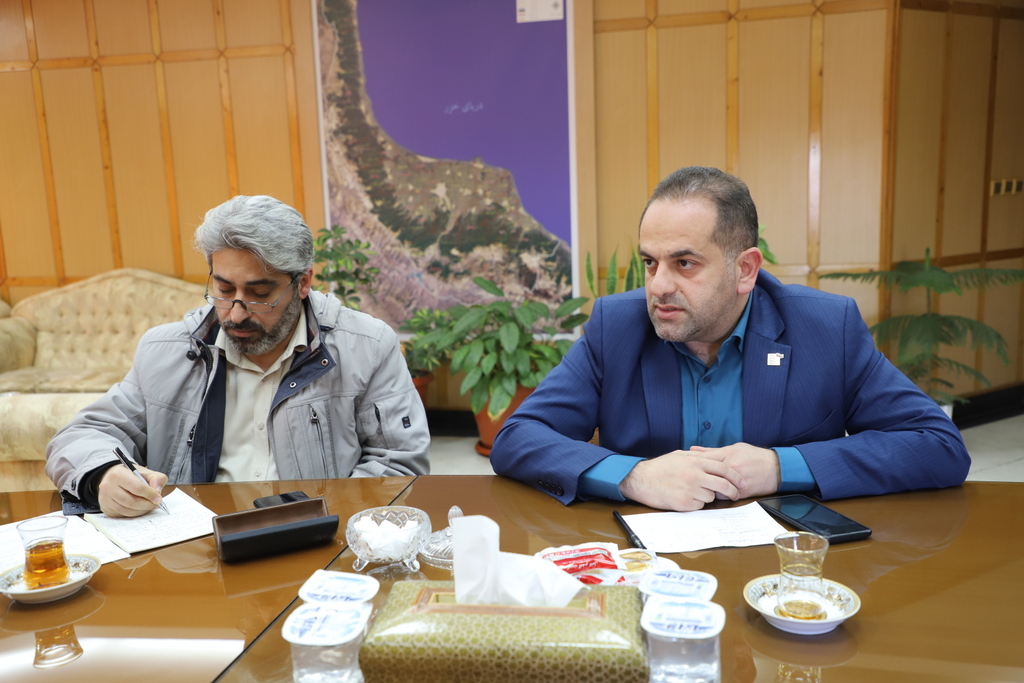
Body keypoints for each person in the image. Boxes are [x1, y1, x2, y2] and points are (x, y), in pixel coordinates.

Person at [490, 166, 970, 511]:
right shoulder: (617, 326)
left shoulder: (826, 328)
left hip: (781, 566)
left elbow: (938, 446)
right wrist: (634, 476)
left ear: (745, 270)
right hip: (650, 565)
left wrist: (780, 467)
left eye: (685, 263)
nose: (658, 286)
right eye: (650, 262)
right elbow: (518, 438)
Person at [47, 195, 429, 517]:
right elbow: (82, 435)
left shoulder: (367, 346)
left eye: (260, 294)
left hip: (319, 540)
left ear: (303, 283)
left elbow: (398, 462)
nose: (236, 313)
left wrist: (327, 519)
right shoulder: (166, 351)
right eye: (224, 289)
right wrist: (103, 473)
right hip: (196, 549)